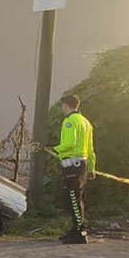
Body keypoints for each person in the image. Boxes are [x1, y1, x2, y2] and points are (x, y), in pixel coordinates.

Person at [54, 94, 95, 245]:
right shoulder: (86, 122)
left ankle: (79, 232)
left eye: (61, 106)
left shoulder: (70, 121)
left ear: (65, 105)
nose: (61, 109)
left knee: (73, 198)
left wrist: (52, 148)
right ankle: (76, 229)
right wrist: (91, 168)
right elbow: (90, 149)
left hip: (72, 164)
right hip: (82, 164)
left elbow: (69, 144)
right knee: (79, 198)